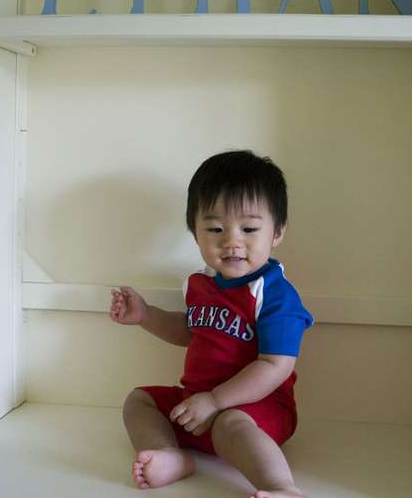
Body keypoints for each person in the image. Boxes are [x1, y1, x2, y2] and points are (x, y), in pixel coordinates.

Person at [109, 150, 314, 498]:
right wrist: (145, 315)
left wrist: (217, 401)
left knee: (230, 423)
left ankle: (281, 487)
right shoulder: (200, 284)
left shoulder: (274, 294)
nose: (232, 241)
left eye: (249, 229)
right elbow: (189, 332)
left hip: (257, 412)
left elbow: (275, 366)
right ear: (195, 233)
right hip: (196, 405)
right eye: (215, 228)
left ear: (277, 231)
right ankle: (169, 454)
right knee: (139, 400)